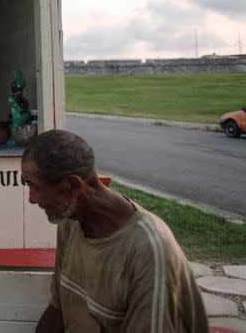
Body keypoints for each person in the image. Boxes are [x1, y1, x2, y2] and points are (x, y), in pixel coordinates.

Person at [21, 130, 208, 333]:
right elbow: (57, 309)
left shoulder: (150, 252)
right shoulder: (71, 221)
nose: (31, 198)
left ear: (73, 186)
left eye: (34, 186)